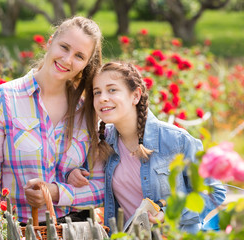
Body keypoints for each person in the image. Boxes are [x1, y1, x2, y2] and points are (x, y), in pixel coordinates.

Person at [0, 16, 105, 224]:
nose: (68, 59)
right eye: (64, 47)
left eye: (79, 56)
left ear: (86, 64)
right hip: (18, 227)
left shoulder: (88, 111)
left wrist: (55, 193)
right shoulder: (4, 98)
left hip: (73, 228)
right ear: (50, 41)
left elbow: (100, 189)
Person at [67, 61, 226, 233]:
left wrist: (167, 214)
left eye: (112, 90)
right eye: (97, 92)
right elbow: (85, 179)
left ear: (135, 96)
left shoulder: (176, 140)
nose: (102, 98)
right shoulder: (103, 142)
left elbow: (214, 193)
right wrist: (73, 174)